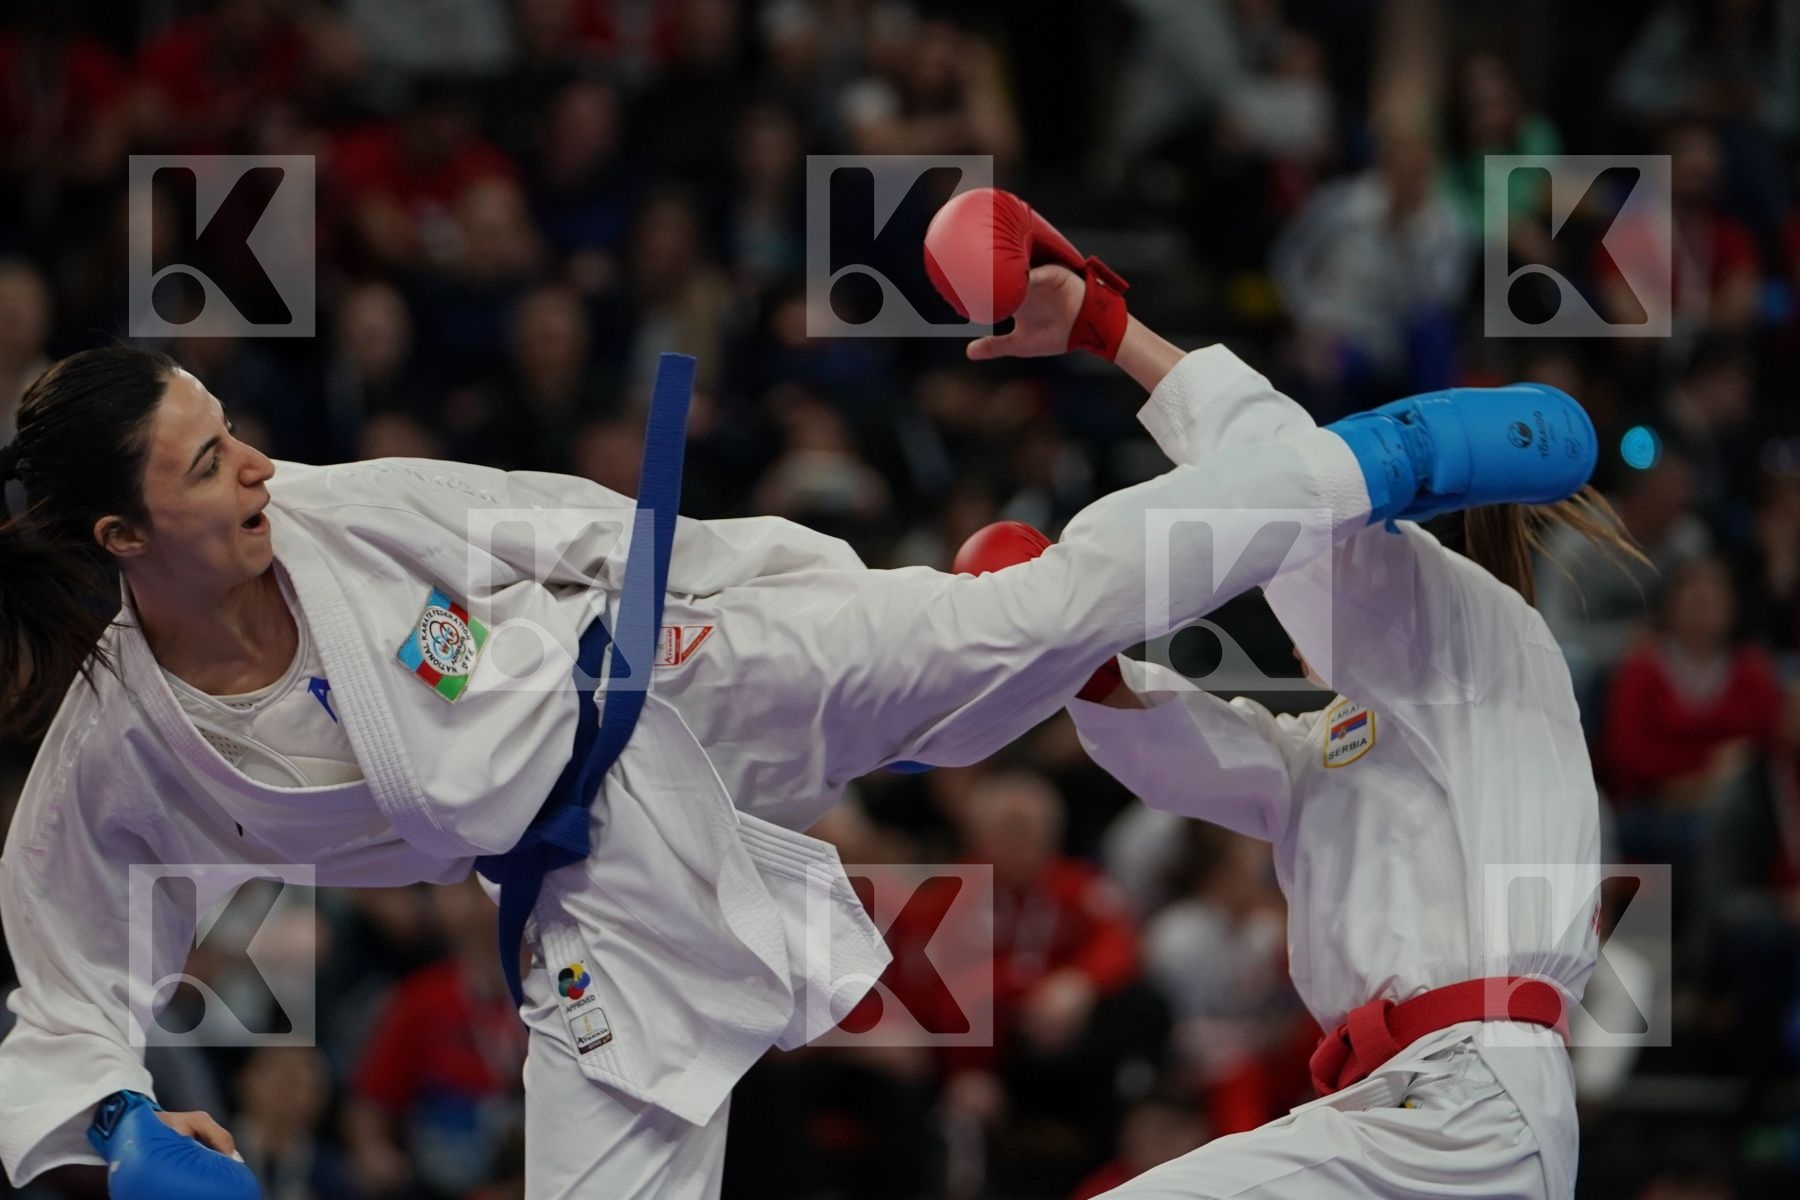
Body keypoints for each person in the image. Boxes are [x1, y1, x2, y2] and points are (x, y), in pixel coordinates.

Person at [0, 193, 1591, 1199]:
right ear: (125, 537)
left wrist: (760, 578)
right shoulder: (112, 761)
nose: (262, 463)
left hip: (693, 678)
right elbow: (63, 990)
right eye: (211, 462)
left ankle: (1362, 461)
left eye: (237, 427)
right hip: (582, 894)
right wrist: (117, 1133)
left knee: (1050, 598)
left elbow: (555, 519)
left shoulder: (337, 517)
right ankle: (1006, 637)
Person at [944, 263, 1636, 1196]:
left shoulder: (1475, 640)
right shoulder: (1364, 743)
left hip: (1463, 1103)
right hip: (1422, 1110)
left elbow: (1303, 489)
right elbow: (1203, 751)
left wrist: (1111, 329)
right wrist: (1073, 653)